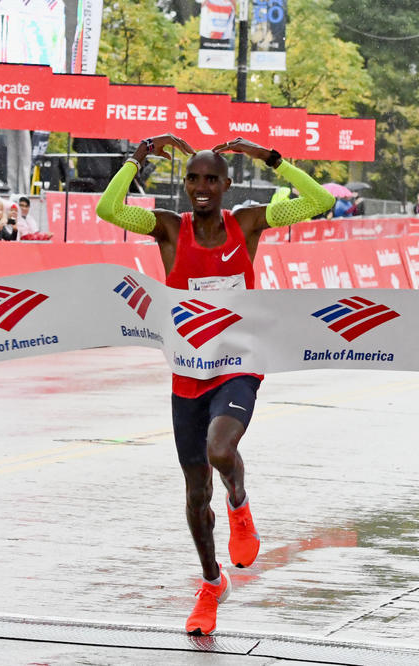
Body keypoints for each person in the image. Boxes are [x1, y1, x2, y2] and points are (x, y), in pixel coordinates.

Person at [95, 134, 334, 636]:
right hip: (188, 374)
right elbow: (108, 208)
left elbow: (321, 202)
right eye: (192, 179)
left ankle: (241, 506)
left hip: (238, 364)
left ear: (227, 185)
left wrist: (268, 159)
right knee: (194, 494)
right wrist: (137, 159)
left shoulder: (245, 224)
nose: (201, 187)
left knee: (221, 450)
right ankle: (211, 583)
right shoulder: (166, 228)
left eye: (211, 179)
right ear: (184, 185)